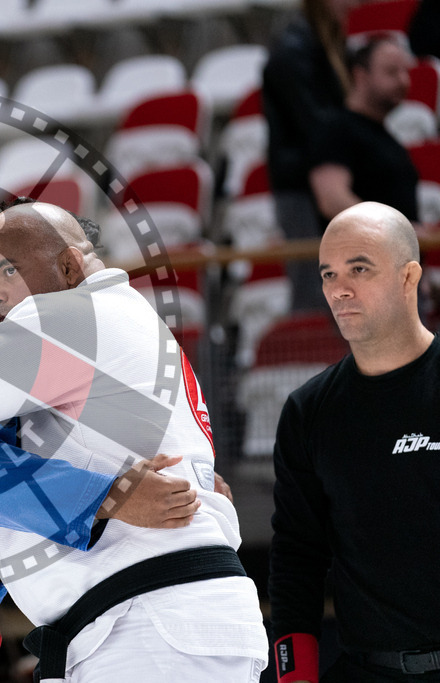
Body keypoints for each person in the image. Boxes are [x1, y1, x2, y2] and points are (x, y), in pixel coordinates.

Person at [0, 202, 268, 681]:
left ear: (68, 266)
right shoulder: (123, 321)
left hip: (151, 623)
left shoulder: (72, 321)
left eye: (8, 271)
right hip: (152, 619)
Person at [269, 201, 439, 682]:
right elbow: (297, 557)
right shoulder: (308, 411)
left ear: (409, 278)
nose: (338, 289)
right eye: (327, 274)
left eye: (358, 269)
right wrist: (294, 677)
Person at [262, 0, 360, 310]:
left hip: (322, 178)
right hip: (301, 187)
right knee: (313, 288)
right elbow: (316, 125)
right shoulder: (294, 50)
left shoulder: (330, 42)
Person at [309, 37, 419, 226]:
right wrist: (393, 230)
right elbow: (332, 200)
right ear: (361, 76)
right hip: (364, 252)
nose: (403, 81)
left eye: (405, 72)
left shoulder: (386, 137)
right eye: (391, 72)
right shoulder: (337, 129)